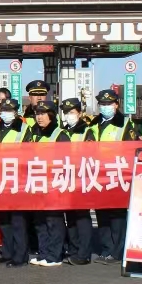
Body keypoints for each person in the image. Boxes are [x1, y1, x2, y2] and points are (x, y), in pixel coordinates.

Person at [87, 89, 139, 263]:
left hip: (117, 175)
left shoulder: (125, 124)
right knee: (101, 214)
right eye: (102, 104)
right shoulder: (93, 124)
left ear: (116, 105)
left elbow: (131, 149)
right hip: (98, 175)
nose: (105, 107)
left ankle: (117, 251)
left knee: (117, 216)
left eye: (109, 103)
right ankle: (106, 248)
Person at [28, 101, 70, 267]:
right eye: (37, 114)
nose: (39, 117)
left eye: (43, 114)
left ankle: (55, 255)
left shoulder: (60, 135)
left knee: (54, 220)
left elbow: (67, 160)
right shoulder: (35, 134)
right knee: (39, 221)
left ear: (51, 115)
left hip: (54, 183)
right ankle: (44, 253)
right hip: (38, 182)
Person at [59, 98, 95, 266]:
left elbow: (91, 154)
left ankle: (84, 253)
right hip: (65, 178)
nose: (69, 115)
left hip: (81, 178)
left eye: (72, 112)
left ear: (79, 113)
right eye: (66, 113)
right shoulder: (63, 131)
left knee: (82, 217)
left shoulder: (87, 131)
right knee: (70, 217)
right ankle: (73, 249)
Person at [0, 99, 30, 267]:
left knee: (17, 220)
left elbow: (29, 153)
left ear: (16, 112)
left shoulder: (24, 129)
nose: (6, 113)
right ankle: (7, 252)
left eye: (10, 110)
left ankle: (20, 255)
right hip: (0, 179)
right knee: (3, 220)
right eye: (3, 110)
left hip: (17, 178)